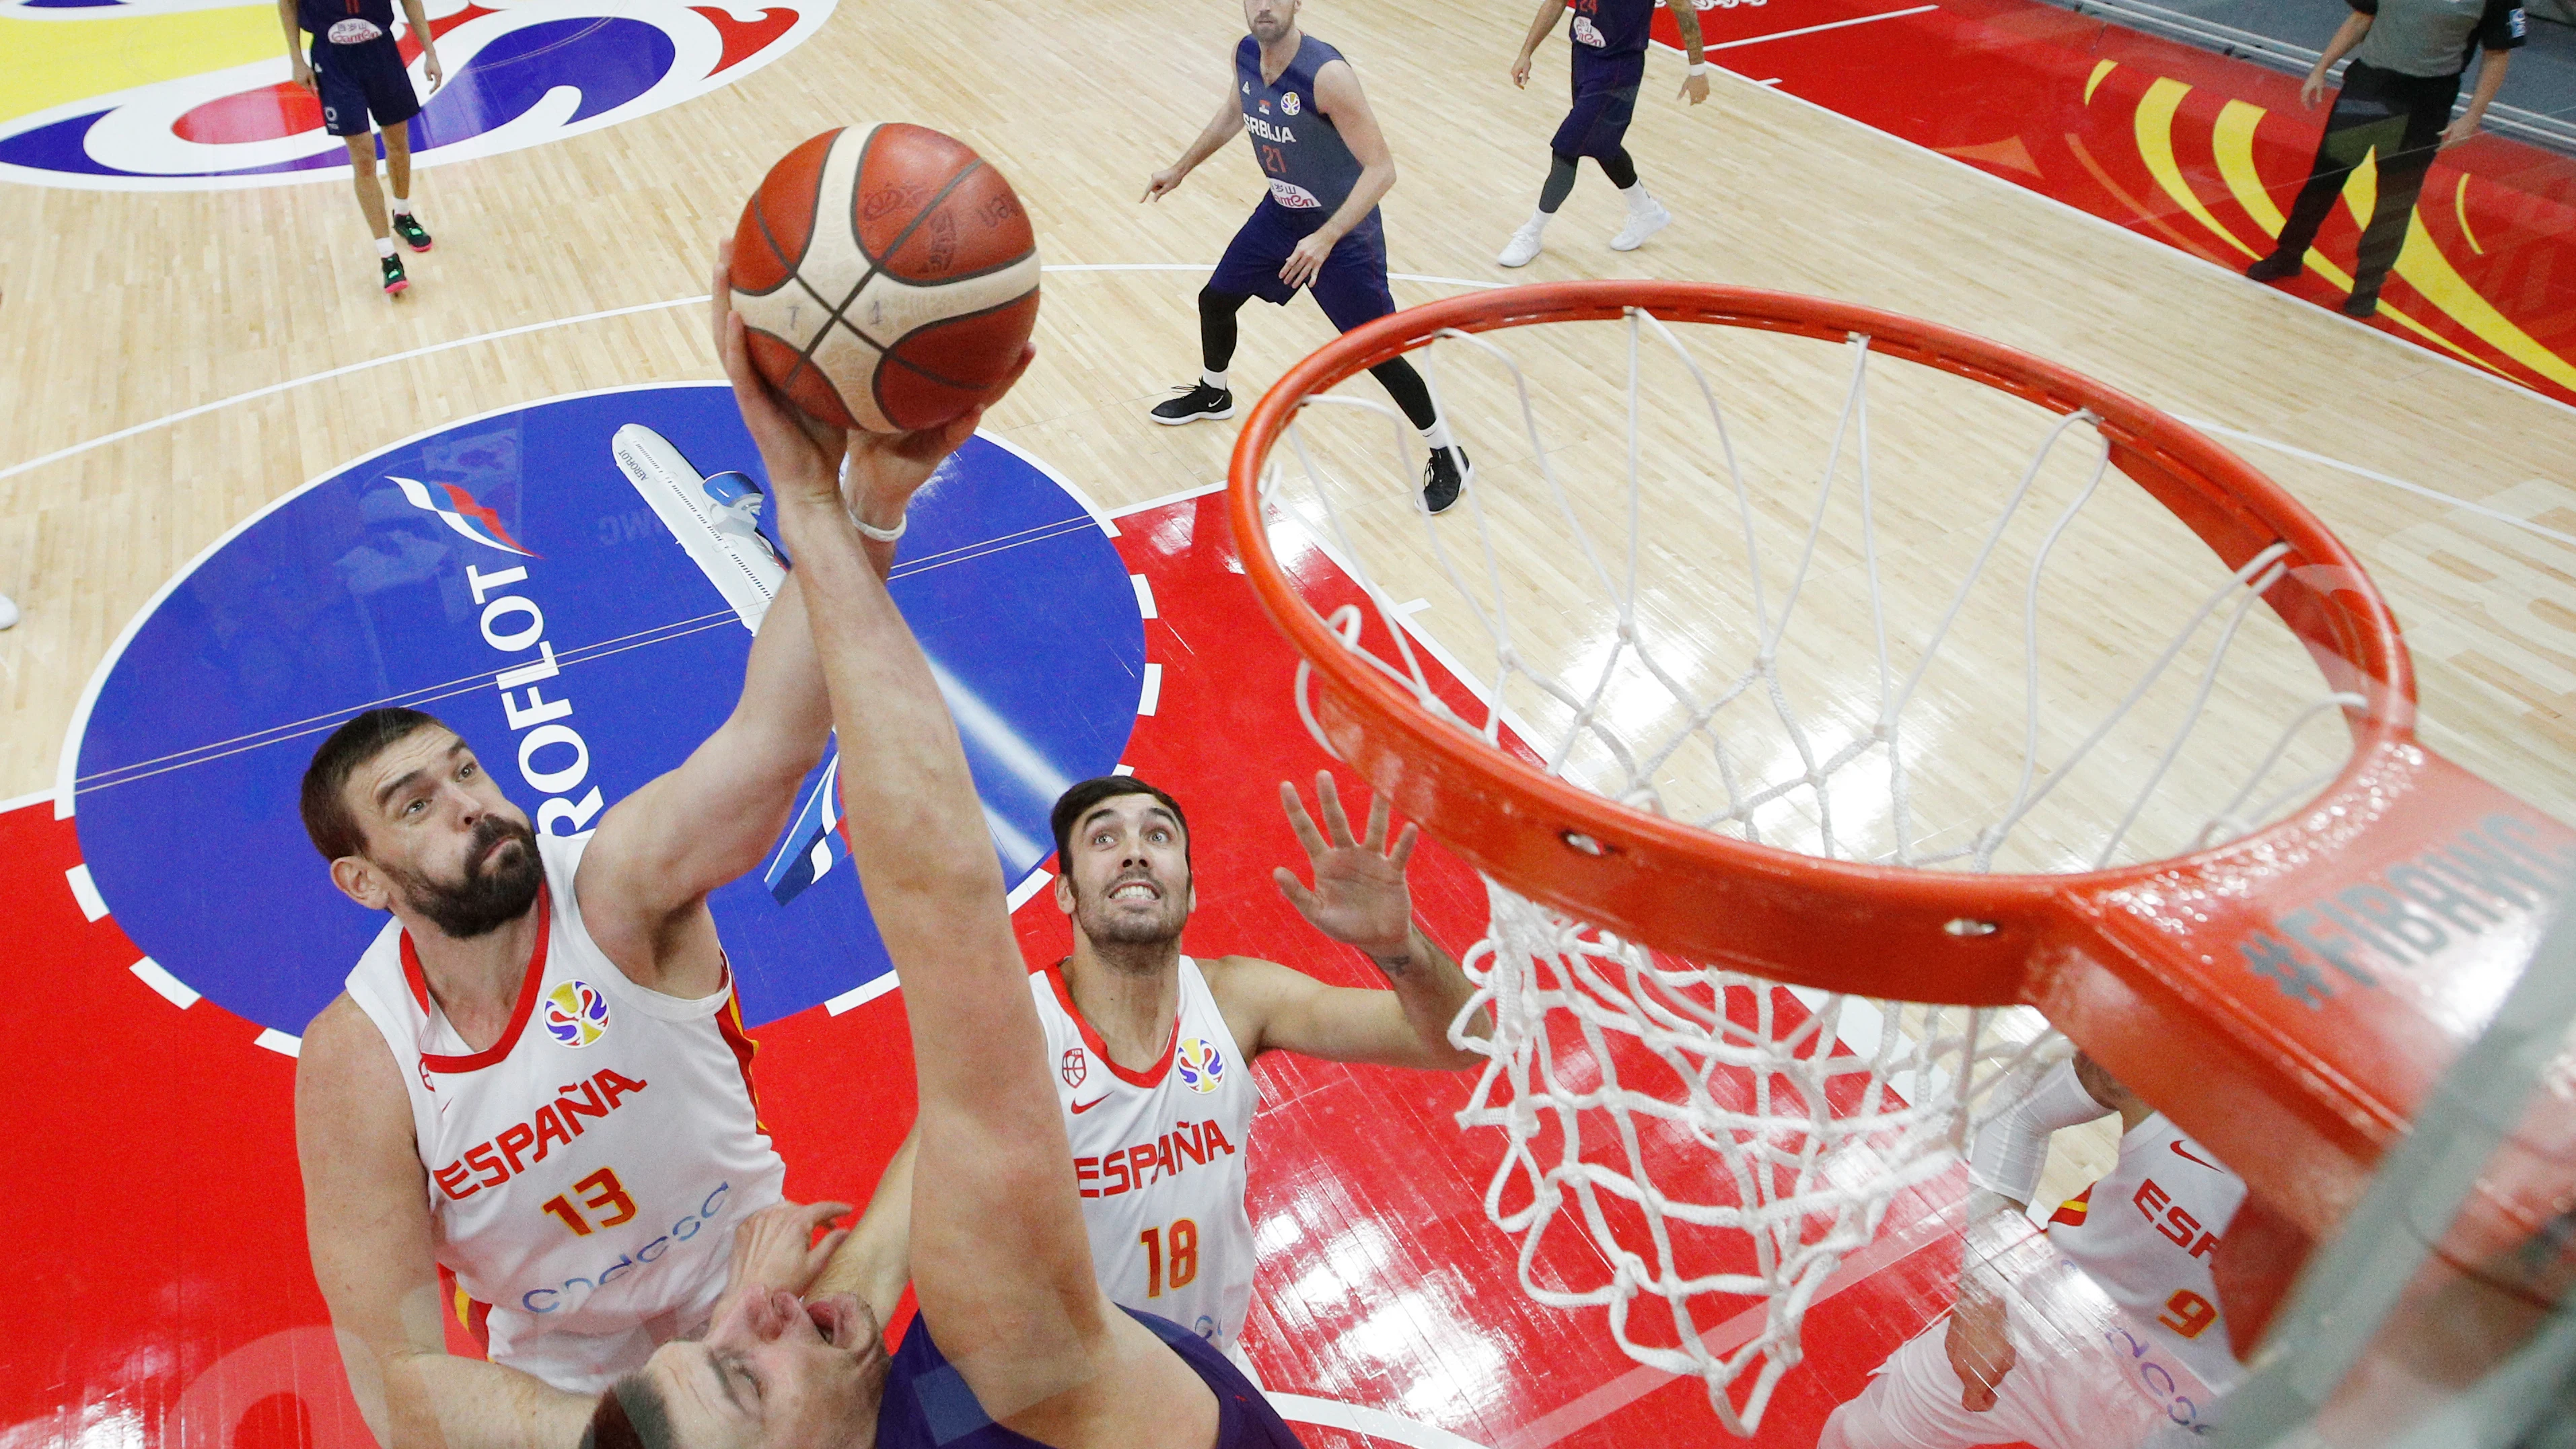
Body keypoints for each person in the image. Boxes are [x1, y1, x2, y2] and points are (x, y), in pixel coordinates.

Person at [611, 243, 1305, 1448]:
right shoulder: (1016, 1378)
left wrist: (749, 1325)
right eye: (738, 1372)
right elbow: (940, 900)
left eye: (716, 1330)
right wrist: (822, 508)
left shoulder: (894, 1388)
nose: (764, 1312)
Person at [293, 260, 936, 1445]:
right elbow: (401, 1375)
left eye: (469, 771)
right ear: (365, 881)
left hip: (773, 1312)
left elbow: (773, 739)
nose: (473, 805)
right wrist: (657, 1420)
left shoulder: (615, 887)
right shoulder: (360, 1060)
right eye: (417, 803)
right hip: (565, 1398)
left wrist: (854, 508)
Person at [1021, 770, 1488, 1364]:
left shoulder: (1235, 999)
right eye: (1104, 839)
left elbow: (1467, 1043)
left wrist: (1399, 947)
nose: (1136, 850)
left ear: (1189, 891)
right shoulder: (1020, 1032)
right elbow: (900, 1225)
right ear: (1064, 890)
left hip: (1208, 1365)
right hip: (1063, 1394)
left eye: (1159, 837)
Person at [1142, 0, 1473, 515]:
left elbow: (1382, 169)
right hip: (1280, 213)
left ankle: (1448, 452)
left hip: (1342, 232)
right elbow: (1235, 111)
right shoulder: (1247, 53)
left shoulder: (1329, 76)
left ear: (1298, 2)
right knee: (1215, 299)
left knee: (1375, 350)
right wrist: (1182, 167)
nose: (1265, 6)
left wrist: (1327, 236)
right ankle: (1214, 393)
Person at [1818, 1055, 2248, 1449]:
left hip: (2207, 1424)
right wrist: (1981, 1299)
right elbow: (2019, 1109)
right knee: (1863, 1437)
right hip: (2045, 1321)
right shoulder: (2193, 1066)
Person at [2244, 0, 2526, 318]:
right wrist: (2320, 68)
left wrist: (2473, 116)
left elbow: (2498, 54)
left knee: (2395, 199)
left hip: (2425, 103)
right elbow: (2361, 18)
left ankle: (2368, 286)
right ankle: (2288, 254)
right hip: (2368, 90)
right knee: (2326, 177)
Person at [1497, 0, 1710, 267]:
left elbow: (1684, 9)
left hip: (1619, 69)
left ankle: (1532, 233)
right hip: (1584, 58)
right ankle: (1646, 210)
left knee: (1567, 147)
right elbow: (1555, 2)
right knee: (1602, 143)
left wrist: (1697, 70)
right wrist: (1526, 52)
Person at [279, 0, 445, 295]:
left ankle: (403, 215)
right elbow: (288, 4)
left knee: (397, 140)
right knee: (364, 155)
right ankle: (387, 257)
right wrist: (296, 58)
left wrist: (430, 53)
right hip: (333, 60)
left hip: (380, 52)